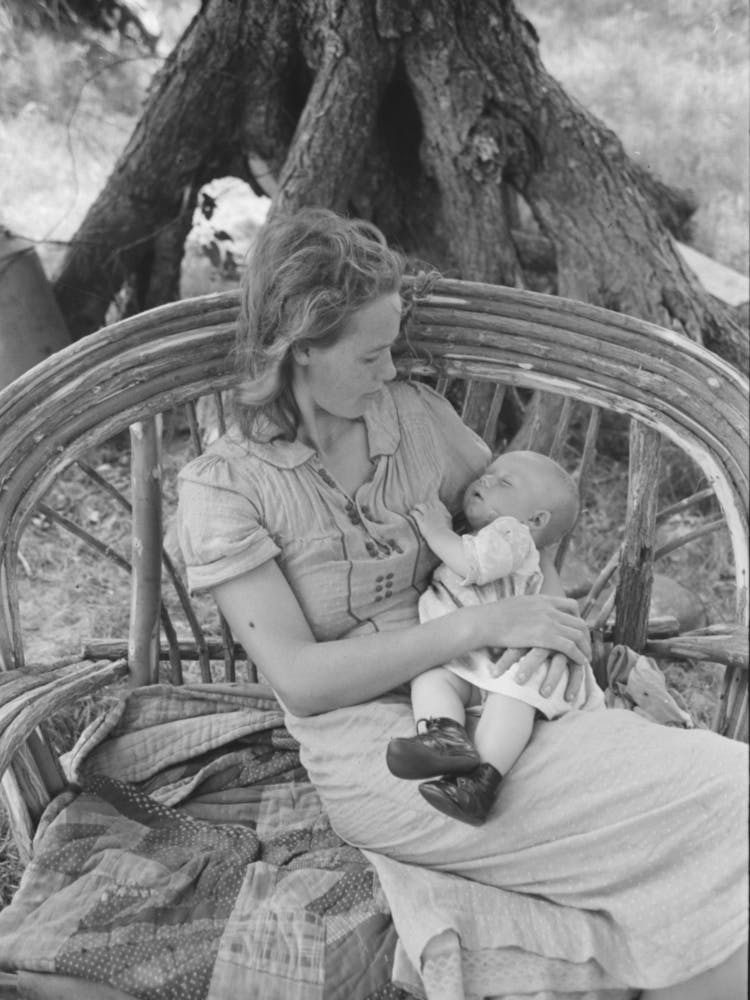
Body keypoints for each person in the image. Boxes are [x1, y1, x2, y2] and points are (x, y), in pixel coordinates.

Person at [177, 207, 747, 999]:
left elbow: (519, 536)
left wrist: (548, 616)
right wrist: (480, 626)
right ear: (301, 347)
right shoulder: (226, 489)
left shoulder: (411, 418)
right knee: (730, 803)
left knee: (721, 814)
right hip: (385, 755)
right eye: (372, 354)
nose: (390, 372)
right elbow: (300, 679)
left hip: (503, 699)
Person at [386, 450, 605, 825]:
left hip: (515, 662)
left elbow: (475, 564)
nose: (485, 480)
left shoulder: (513, 536)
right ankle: (444, 736)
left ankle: (480, 781)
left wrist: (436, 530)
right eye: (488, 473)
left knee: (513, 694)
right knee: (433, 678)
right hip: (477, 660)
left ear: (535, 520)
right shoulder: (483, 535)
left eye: (504, 482)